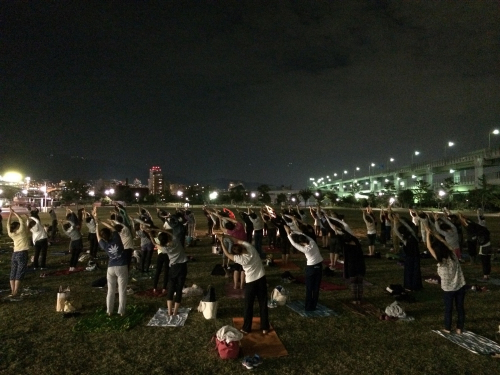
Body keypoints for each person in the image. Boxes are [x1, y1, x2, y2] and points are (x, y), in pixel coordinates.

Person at [218, 233, 270, 335]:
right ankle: (265, 327)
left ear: (237, 254)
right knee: (263, 304)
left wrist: (221, 241)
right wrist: (226, 236)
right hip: (262, 279)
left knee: (248, 305)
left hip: (251, 282)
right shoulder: (250, 247)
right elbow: (237, 240)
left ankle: (246, 328)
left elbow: (228, 254)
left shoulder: (241, 259)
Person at [424, 225, 466, 334]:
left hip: (448, 289)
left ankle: (447, 328)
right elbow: (443, 241)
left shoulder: (440, 261)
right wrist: (434, 234)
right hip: (460, 285)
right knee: (460, 308)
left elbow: (429, 247)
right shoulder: (453, 254)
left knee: (448, 309)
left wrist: (428, 234)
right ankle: (459, 328)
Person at [150, 228, 188, 316]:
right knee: (179, 289)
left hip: (173, 268)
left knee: (171, 288)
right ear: (168, 237)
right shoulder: (176, 241)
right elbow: (169, 232)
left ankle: (169, 311)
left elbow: (154, 243)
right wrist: (160, 230)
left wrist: (150, 234)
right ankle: (175, 312)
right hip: (182, 267)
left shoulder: (164, 249)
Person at [286, 225, 323, 311]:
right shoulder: (313, 242)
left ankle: (308, 307)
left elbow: (293, 243)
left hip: (311, 268)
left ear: (301, 243)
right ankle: (314, 305)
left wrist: (289, 234)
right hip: (319, 266)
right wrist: (293, 231)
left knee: (309, 288)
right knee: (316, 288)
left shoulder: (305, 249)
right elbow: (303, 234)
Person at [96, 220, 128, 316]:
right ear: (110, 233)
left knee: (110, 291)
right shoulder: (116, 239)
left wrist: (97, 224)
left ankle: (109, 311)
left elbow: (98, 237)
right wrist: (102, 222)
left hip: (110, 268)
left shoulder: (104, 244)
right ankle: (121, 311)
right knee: (122, 290)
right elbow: (113, 228)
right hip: (121, 266)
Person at [393, 215, 423, 292]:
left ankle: (409, 285)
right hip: (414, 251)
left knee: (409, 268)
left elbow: (396, 230)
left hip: (409, 251)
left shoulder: (406, 239)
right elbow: (408, 227)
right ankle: (415, 285)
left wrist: (397, 221)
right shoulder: (413, 234)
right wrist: (400, 220)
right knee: (415, 268)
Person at [7, 208, 31, 298]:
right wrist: (14, 213)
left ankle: (12, 290)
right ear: (18, 226)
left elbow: (8, 224)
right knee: (19, 272)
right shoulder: (21, 232)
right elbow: (21, 220)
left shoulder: (11, 233)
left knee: (13, 272)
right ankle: (16, 291)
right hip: (22, 253)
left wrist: (10, 214)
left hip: (14, 254)